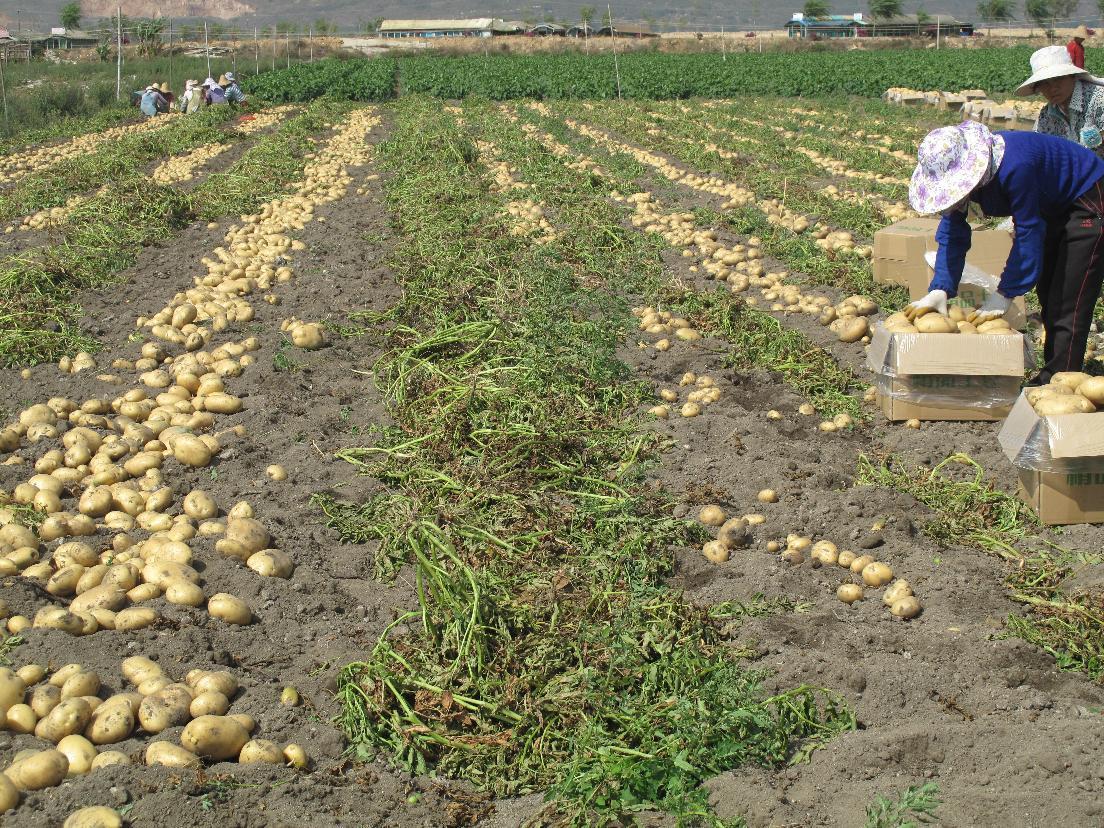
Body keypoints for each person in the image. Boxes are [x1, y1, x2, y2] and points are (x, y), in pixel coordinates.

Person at [907, 121, 1104, 385]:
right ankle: (1056, 370)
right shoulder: (972, 178)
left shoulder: (1015, 167)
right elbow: (953, 232)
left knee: (1069, 293)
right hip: (1050, 201)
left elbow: (1028, 233)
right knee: (1047, 290)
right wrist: (940, 287)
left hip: (1087, 195)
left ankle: (1060, 380)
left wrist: (1006, 293)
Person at [1019, 45, 1104, 158]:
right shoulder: (1046, 116)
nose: (1053, 88)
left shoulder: (1098, 100)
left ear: (1072, 76)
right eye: (1045, 83)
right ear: (1038, 87)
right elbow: (1038, 151)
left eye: (1058, 79)